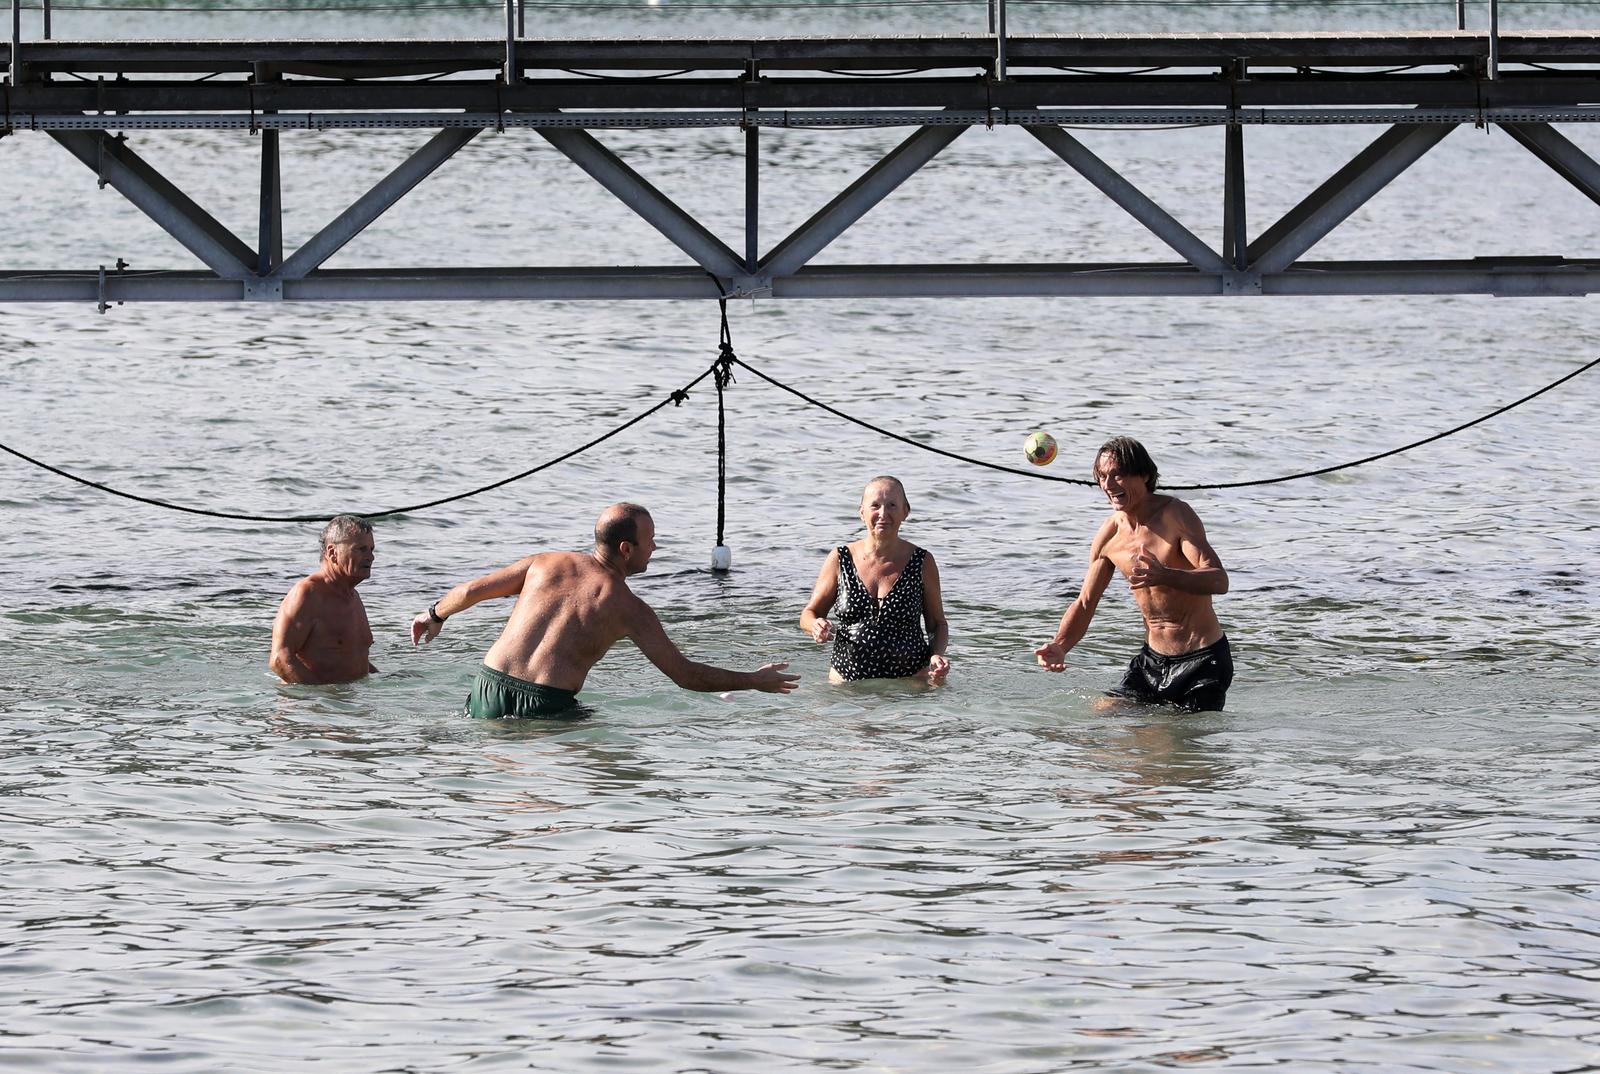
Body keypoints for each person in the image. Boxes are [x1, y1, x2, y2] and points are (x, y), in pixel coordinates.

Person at [410, 503, 798, 717]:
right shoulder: (629, 608)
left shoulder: (545, 563)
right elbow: (686, 675)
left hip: (488, 683)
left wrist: (434, 615)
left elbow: (470, 590)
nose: (655, 549)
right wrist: (752, 680)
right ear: (626, 549)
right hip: (546, 703)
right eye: (651, 541)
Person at [1034, 437, 1233, 711]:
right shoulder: (1110, 534)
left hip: (1202, 659)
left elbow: (1219, 580)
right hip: (1152, 661)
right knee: (1105, 710)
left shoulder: (1175, 515)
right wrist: (1060, 645)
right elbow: (1085, 602)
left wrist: (1166, 575)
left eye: (1118, 475)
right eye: (1102, 476)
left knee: (1173, 743)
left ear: (1145, 475)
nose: (1108, 484)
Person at [800, 476, 951, 684]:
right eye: (875, 506)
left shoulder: (922, 561)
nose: (883, 514)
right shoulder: (840, 558)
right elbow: (809, 614)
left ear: (905, 512)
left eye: (891, 505)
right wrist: (815, 625)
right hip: (847, 686)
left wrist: (937, 654)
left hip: (908, 685)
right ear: (862, 512)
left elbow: (938, 624)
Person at [270, 514, 378, 685]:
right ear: (332, 552)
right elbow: (280, 659)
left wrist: (383, 679)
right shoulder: (307, 594)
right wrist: (323, 700)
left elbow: (349, 657)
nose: (371, 557)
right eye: (361, 549)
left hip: (349, 704)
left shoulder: (352, 596)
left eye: (371, 550)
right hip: (312, 708)